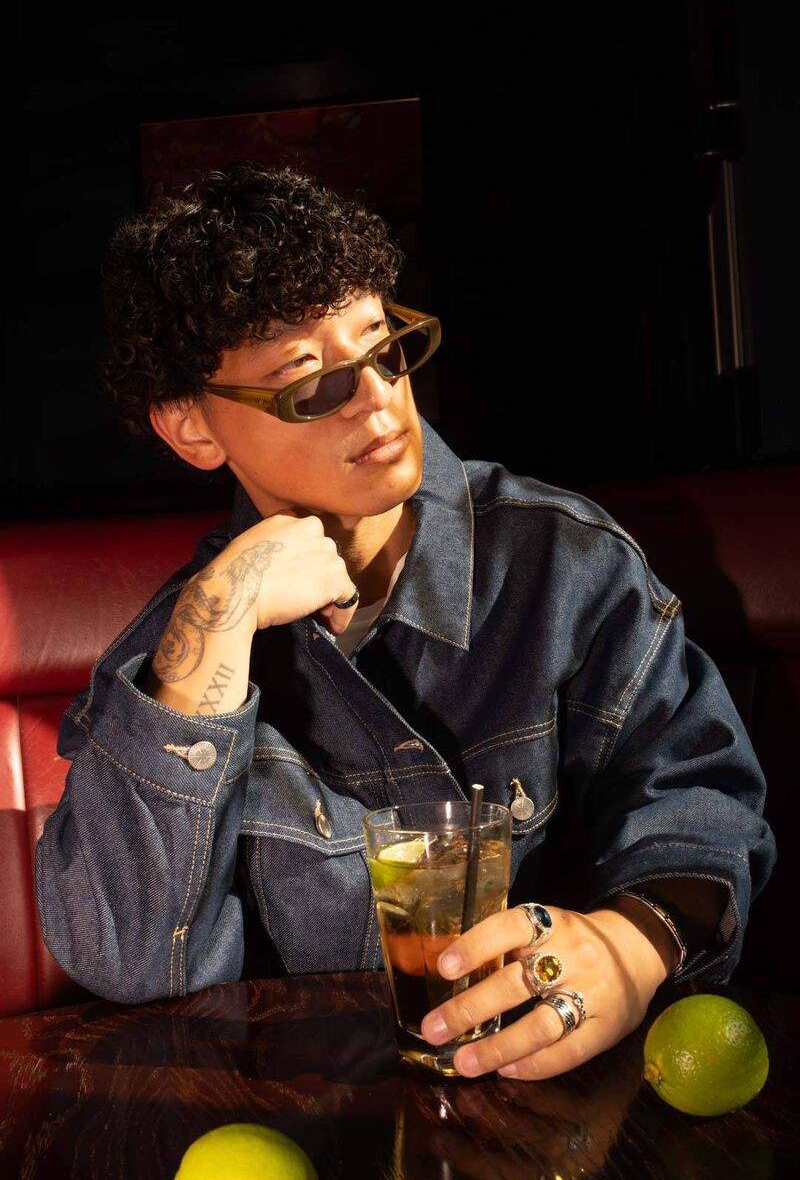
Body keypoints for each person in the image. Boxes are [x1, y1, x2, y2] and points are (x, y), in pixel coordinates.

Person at [35, 162, 775, 1082]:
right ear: (193, 428)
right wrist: (216, 626)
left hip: (562, 1105)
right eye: (310, 384)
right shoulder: (171, 657)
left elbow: (703, 800)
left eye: (383, 347)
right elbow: (125, 958)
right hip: (311, 1116)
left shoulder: (564, 565)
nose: (377, 397)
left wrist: (636, 941)